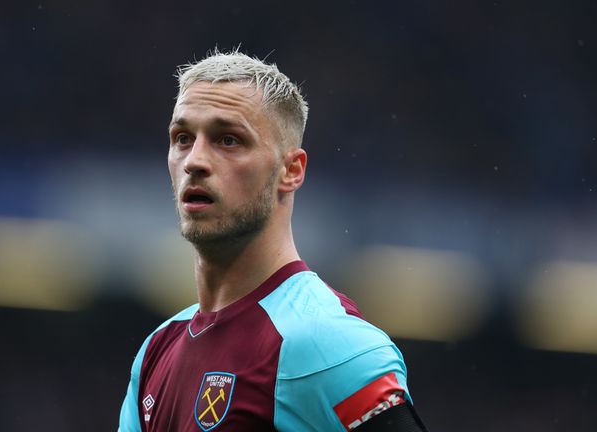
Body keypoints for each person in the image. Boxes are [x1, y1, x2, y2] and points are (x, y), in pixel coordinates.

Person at [119, 49, 428, 432]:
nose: (194, 161)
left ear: (291, 170)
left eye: (228, 140)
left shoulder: (327, 343)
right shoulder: (155, 351)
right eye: (183, 138)